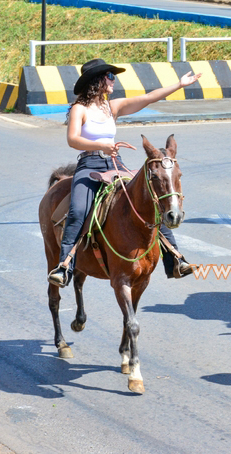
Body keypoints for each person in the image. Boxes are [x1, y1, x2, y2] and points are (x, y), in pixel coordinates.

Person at [48, 58, 201, 287]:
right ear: (96, 80)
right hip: (89, 165)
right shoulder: (80, 109)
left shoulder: (112, 107)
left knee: (150, 200)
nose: (113, 81)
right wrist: (101, 146)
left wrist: (179, 85)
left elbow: (149, 97)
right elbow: (72, 139)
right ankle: (64, 266)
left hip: (115, 164)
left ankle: (175, 258)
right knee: (78, 211)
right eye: (110, 76)